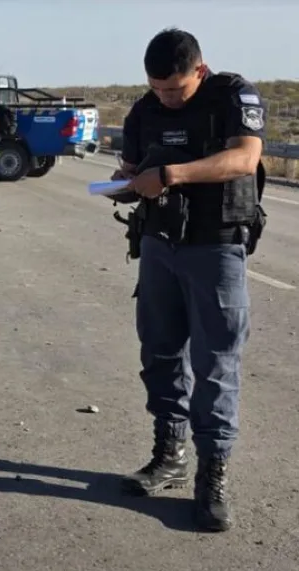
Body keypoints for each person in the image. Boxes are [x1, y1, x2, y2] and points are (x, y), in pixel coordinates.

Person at [110, 27, 266, 532]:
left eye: (174, 89)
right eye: (157, 88)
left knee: (216, 361)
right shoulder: (144, 110)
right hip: (159, 244)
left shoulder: (232, 96)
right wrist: (126, 185)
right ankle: (169, 453)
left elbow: (244, 157)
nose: (166, 98)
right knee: (159, 350)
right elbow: (131, 168)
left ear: (199, 69)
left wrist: (173, 174)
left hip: (216, 246)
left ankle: (211, 475)